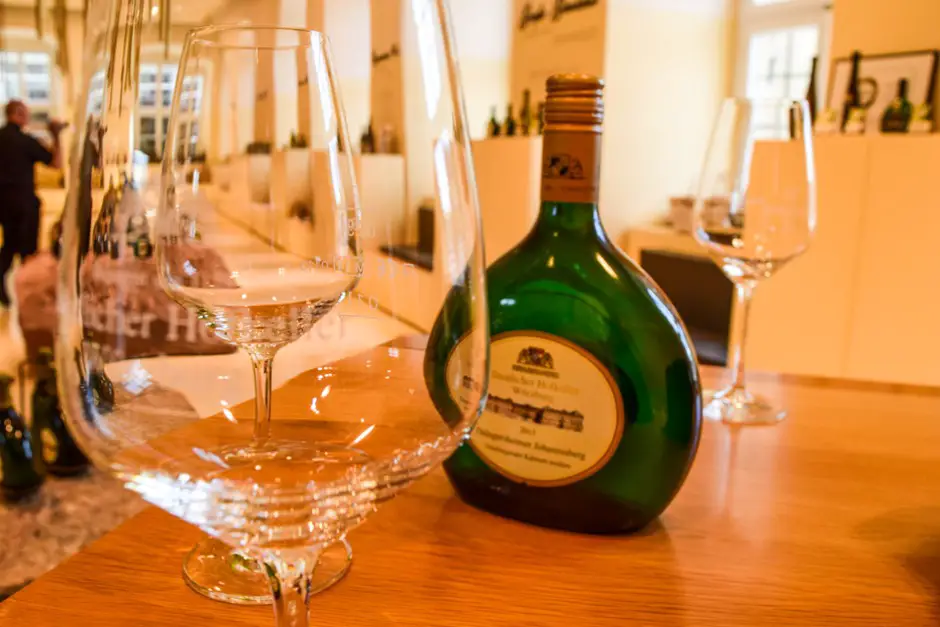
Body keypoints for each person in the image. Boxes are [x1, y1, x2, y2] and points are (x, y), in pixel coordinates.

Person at [0, 100, 65, 306]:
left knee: (9, 245)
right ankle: (28, 298)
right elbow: (56, 164)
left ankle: (6, 292)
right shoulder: (25, 141)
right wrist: (56, 135)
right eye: (25, 113)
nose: (27, 117)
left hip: (2, 203)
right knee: (29, 253)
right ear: (17, 114)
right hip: (25, 203)